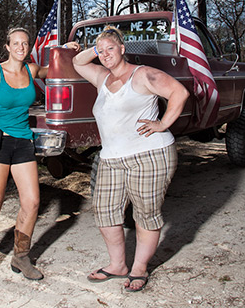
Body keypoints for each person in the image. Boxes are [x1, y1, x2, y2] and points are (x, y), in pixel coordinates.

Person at [72, 26, 189, 292]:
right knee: (104, 212)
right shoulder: (102, 78)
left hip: (149, 155)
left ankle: (139, 268)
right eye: (100, 52)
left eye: (111, 49)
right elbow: (78, 62)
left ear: (123, 49)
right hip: (111, 159)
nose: (104, 55)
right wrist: (99, 45)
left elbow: (179, 93)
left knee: (145, 215)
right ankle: (117, 265)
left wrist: (162, 123)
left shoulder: (142, 74)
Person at [0, 27, 79, 289]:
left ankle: (20, 257)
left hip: (23, 142)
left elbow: (55, 68)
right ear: (7, 47)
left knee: (32, 201)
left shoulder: (31, 70)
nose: (21, 47)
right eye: (16, 43)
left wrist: (66, 49)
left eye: (25, 43)